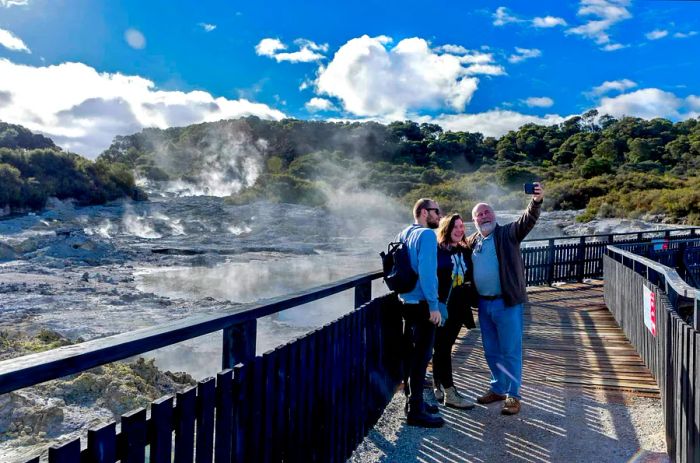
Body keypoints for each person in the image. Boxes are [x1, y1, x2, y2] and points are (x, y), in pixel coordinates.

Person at [465, 183, 544, 415]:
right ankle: (498, 388)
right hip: (483, 303)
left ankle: (513, 395)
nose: (483, 216)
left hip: (506, 302)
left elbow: (527, 220)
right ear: (475, 221)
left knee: (510, 350)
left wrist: (536, 201)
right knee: (491, 350)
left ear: (494, 215)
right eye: (479, 214)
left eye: (486, 212)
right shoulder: (472, 242)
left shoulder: (507, 233)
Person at [396, 198, 444, 428]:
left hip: (407, 302)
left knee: (411, 355)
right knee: (421, 357)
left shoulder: (403, 233)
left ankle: (413, 403)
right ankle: (415, 411)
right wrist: (434, 306)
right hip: (423, 304)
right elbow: (427, 272)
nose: (440, 216)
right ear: (424, 212)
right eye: (437, 211)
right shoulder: (426, 235)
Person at [432, 213, 477, 409]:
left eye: (461, 226)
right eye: (454, 227)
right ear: (446, 229)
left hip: (459, 307)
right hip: (442, 307)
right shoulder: (437, 251)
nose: (459, 230)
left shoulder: (465, 250)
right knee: (442, 347)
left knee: (443, 346)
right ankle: (449, 391)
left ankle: (438, 385)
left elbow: (471, 277)